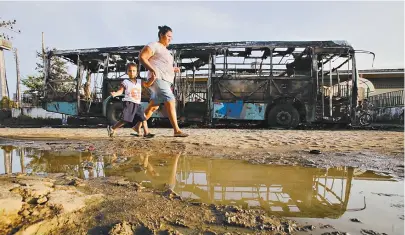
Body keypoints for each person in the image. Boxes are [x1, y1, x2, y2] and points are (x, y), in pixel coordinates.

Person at [133, 25, 189, 137]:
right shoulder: (154, 45)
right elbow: (142, 57)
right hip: (158, 79)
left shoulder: (166, 51)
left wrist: (173, 69)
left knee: (153, 107)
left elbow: (161, 65)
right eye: (168, 36)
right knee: (170, 100)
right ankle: (176, 130)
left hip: (165, 81)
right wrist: (152, 70)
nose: (170, 39)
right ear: (161, 35)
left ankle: (137, 126)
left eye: (171, 37)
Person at [107, 62, 155, 138]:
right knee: (126, 120)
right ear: (127, 72)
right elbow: (120, 91)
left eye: (133, 71)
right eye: (129, 71)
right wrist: (115, 94)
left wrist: (152, 79)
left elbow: (147, 84)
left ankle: (146, 133)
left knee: (143, 118)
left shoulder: (140, 81)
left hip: (137, 103)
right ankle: (112, 128)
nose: (132, 72)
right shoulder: (125, 82)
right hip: (129, 103)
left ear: (137, 72)